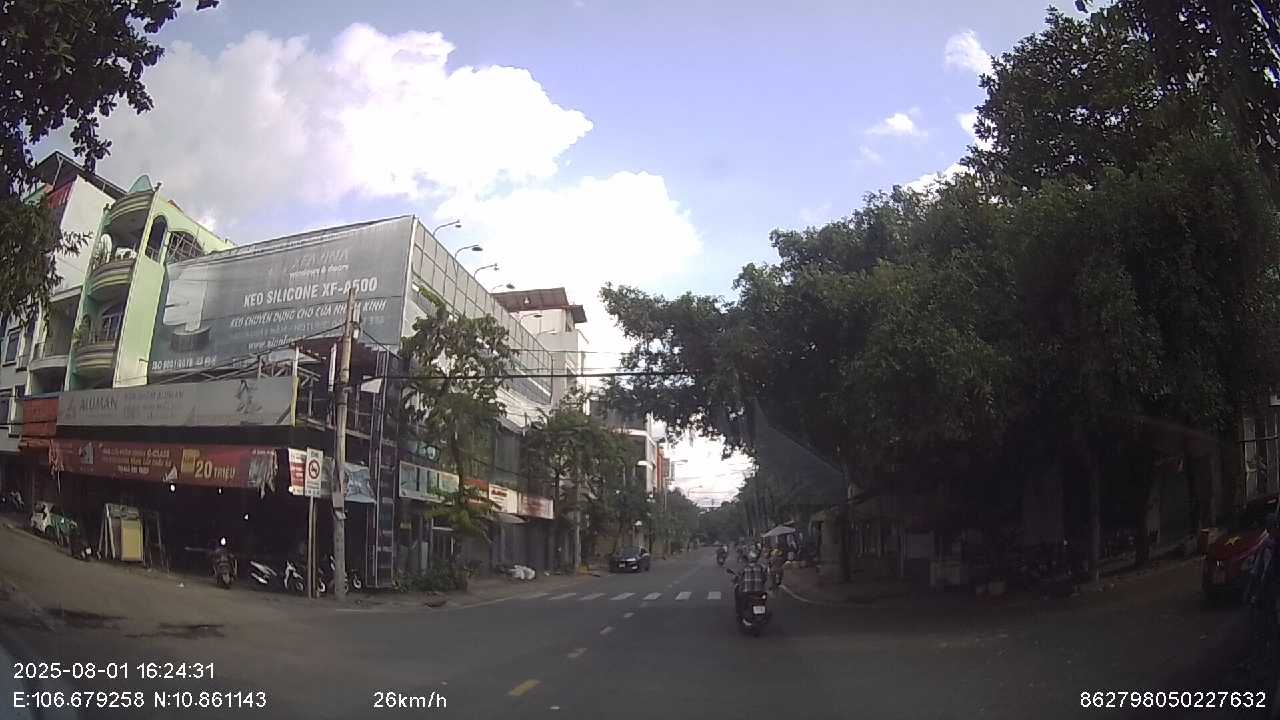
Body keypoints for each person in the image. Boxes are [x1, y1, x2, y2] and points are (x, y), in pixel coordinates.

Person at [733, 548, 769, 616]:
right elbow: (764, 578)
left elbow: (737, 577)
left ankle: (739, 612)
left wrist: (735, 580)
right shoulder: (761, 567)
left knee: (739, 597)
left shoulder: (744, 568)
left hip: (747, 592)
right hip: (760, 592)